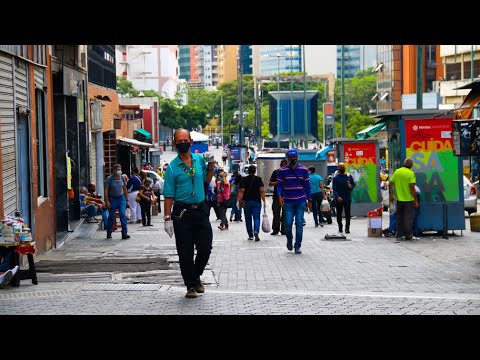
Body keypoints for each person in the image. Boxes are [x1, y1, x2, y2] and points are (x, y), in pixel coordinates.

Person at [163, 128, 215, 299]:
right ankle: (191, 285)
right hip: (181, 213)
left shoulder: (199, 160)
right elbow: (169, 195)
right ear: (174, 144)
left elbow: (207, 181)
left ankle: (196, 275)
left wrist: (211, 166)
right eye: (179, 141)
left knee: (205, 247)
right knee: (185, 252)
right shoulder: (172, 168)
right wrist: (167, 218)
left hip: (200, 210)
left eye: (186, 140)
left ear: (191, 142)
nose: (183, 143)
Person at [276, 149, 312, 254]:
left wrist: (309, 199)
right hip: (288, 201)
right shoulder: (282, 171)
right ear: (288, 158)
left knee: (299, 223)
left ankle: (297, 246)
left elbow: (307, 186)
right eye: (290, 157)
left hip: (300, 200)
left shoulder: (304, 170)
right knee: (287, 224)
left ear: (297, 157)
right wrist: (279, 196)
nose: (292, 159)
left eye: (294, 157)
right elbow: (279, 185)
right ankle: (289, 239)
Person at [389, 157, 419, 241]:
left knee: (399, 218)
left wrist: (391, 195)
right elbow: (412, 188)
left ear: (404, 163)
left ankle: (399, 235)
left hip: (399, 200)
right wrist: (415, 200)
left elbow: (390, 183)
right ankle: (408, 235)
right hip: (408, 200)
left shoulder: (397, 171)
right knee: (408, 218)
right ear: (411, 165)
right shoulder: (411, 173)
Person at [237, 164, 266, 241]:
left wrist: (238, 200)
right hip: (257, 201)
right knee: (256, 217)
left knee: (248, 219)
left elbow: (241, 191)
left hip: (247, 202)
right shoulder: (258, 179)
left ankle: (250, 235)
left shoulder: (244, 179)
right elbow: (262, 190)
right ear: (255, 171)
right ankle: (256, 230)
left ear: (248, 171)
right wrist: (264, 200)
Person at [104, 164, 130, 240]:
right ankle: (109, 232)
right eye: (118, 169)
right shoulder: (109, 179)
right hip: (112, 199)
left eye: (120, 169)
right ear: (114, 171)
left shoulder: (122, 178)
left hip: (121, 198)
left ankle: (124, 233)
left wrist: (127, 199)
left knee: (123, 215)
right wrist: (107, 201)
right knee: (111, 216)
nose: (120, 171)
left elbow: (125, 188)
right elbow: (106, 190)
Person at [332, 162, 355, 234]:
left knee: (348, 214)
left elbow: (353, 184)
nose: (342, 168)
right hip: (339, 199)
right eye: (340, 167)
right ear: (338, 168)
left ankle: (347, 228)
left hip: (347, 198)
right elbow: (334, 189)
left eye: (343, 167)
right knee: (339, 214)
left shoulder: (348, 176)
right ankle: (340, 227)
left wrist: (351, 187)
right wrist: (337, 196)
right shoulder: (335, 178)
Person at [269, 159, 288, 235]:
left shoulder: (290, 173)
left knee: (285, 214)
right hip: (277, 196)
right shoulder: (276, 172)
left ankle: (284, 229)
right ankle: (276, 229)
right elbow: (270, 183)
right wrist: (278, 182)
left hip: (287, 196)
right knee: (276, 213)